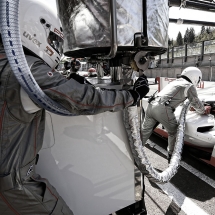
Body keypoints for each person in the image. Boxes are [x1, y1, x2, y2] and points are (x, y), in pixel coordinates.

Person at [0, 0, 149, 214]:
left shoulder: (7, 64)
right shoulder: (25, 71)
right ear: (35, 29)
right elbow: (83, 99)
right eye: (54, 41)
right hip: (12, 183)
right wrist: (132, 95)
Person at [141, 67, 211, 163]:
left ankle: (133, 152)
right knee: (173, 132)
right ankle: (172, 156)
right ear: (195, 77)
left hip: (151, 105)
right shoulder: (189, 86)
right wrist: (204, 110)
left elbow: (174, 97)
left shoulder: (175, 82)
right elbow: (196, 103)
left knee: (145, 132)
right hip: (163, 109)